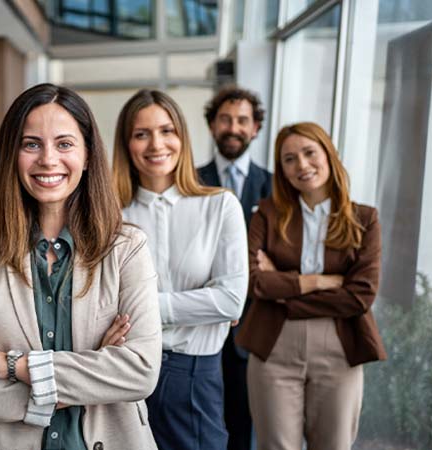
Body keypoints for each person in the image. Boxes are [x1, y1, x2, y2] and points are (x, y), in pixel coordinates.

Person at [0, 83, 162, 450]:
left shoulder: (127, 249)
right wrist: (92, 370)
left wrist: (12, 367)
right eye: (31, 144)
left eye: (64, 144)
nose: (48, 159)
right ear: (12, 155)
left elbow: (140, 371)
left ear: (88, 154)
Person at [236, 122, 386, 450]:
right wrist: (318, 282)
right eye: (289, 159)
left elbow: (359, 296)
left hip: (340, 345)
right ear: (282, 170)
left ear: (328, 154)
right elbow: (251, 281)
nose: (301, 165)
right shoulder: (267, 215)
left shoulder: (365, 219)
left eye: (309, 153)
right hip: (273, 345)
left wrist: (283, 290)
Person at [113, 89, 248, 450]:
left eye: (166, 130)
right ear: (126, 144)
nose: (156, 144)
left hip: (193, 378)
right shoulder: (110, 216)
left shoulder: (220, 206)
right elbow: (97, 303)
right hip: (120, 372)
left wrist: (143, 309)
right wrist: (201, 305)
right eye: (141, 134)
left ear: (182, 138)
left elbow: (231, 301)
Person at [197, 85, 272, 450]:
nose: (233, 127)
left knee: (243, 427)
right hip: (198, 324)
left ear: (255, 128)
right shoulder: (191, 183)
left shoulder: (276, 186)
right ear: (212, 125)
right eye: (225, 119)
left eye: (243, 120)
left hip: (253, 330)